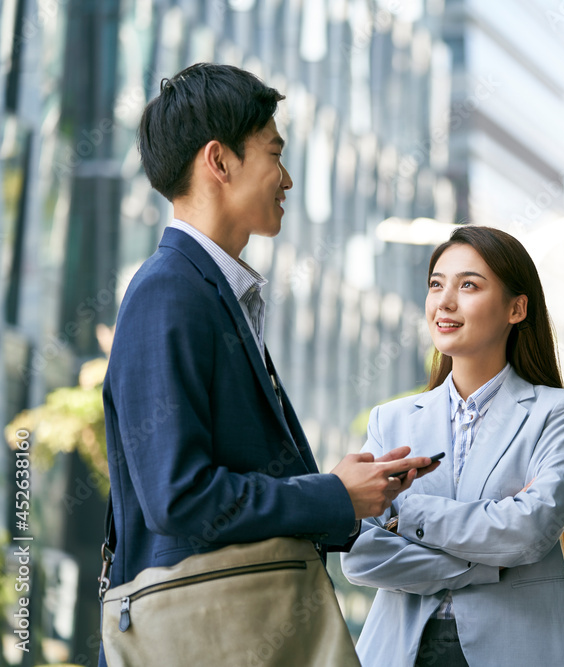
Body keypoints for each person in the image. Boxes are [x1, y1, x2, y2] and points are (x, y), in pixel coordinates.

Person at [101, 63, 435, 664]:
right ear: (219, 162)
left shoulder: (211, 290)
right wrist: (330, 494)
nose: (285, 177)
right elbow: (178, 497)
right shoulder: (169, 291)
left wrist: (348, 494)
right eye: (273, 154)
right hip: (200, 631)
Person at [341, 226, 564, 667]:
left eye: (468, 285)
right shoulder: (391, 419)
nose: (445, 302)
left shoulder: (560, 412)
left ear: (517, 308)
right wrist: (483, 564)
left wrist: (403, 515)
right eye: (436, 284)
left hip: (524, 648)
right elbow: (360, 554)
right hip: (403, 650)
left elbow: (529, 531)